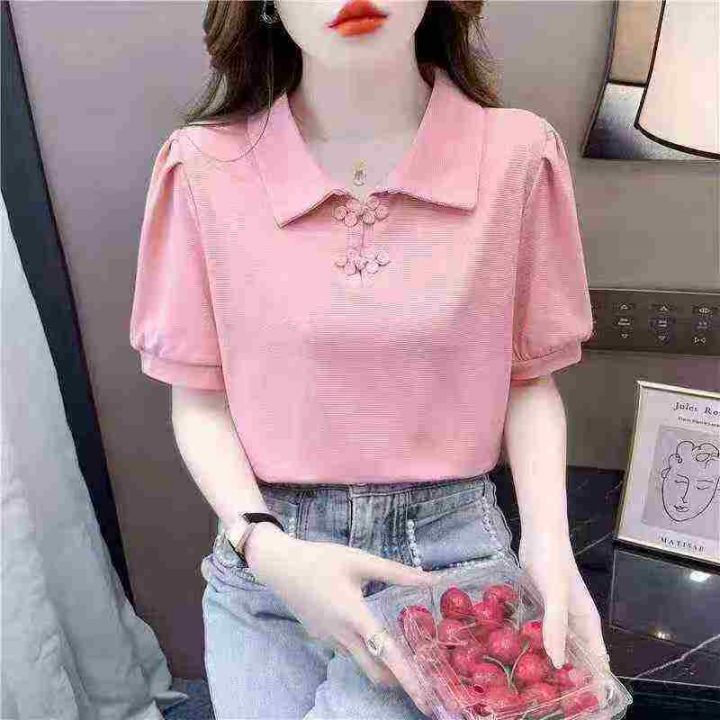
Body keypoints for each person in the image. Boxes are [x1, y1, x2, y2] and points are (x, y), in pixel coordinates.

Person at [129, 1, 610, 717]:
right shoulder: (202, 167)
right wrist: (266, 547)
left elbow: (529, 379)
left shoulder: (516, 154)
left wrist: (550, 547)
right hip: (269, 565)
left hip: (447, 567)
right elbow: (199, 399)